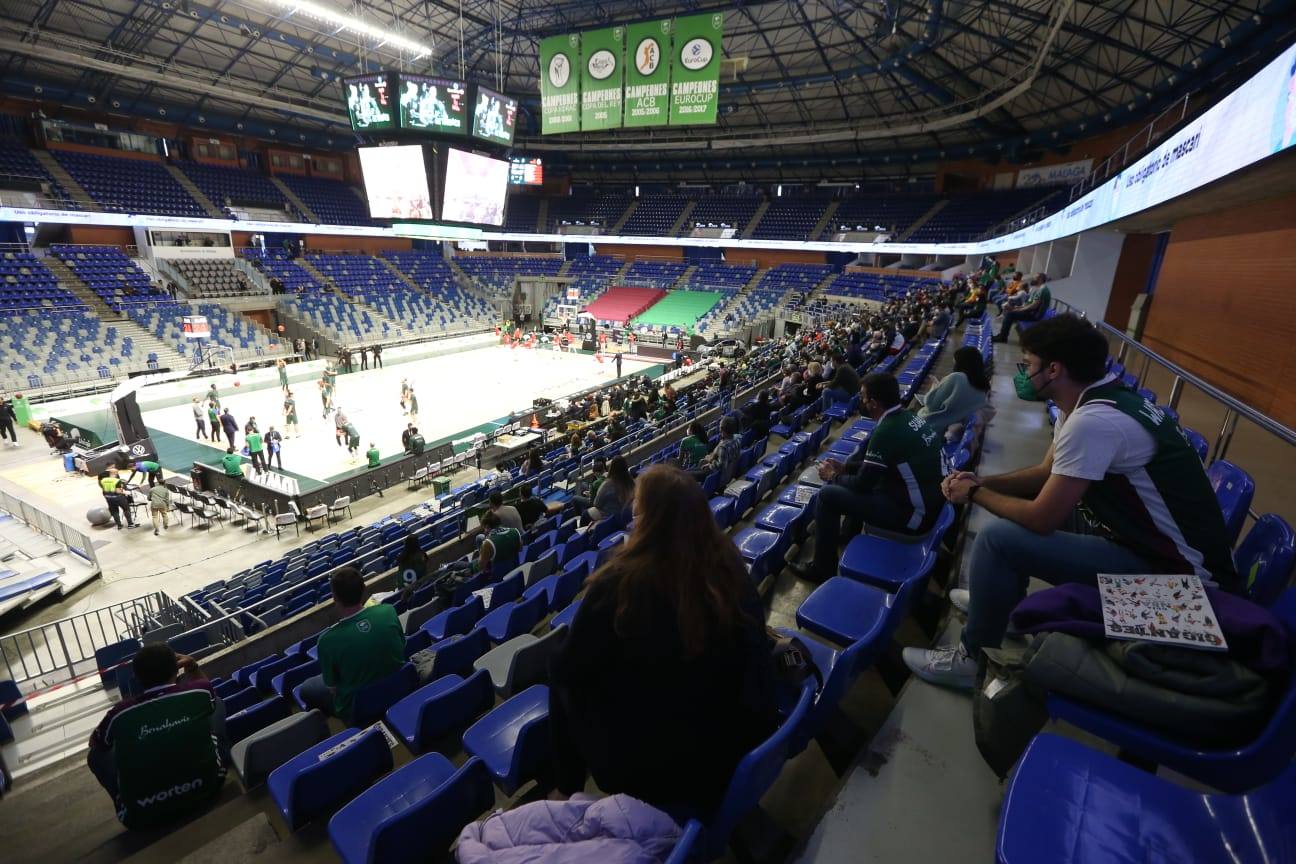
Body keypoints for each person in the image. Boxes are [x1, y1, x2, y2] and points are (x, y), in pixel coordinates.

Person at [905, 315, 1242, 688]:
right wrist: (983, 480)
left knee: (997, 538)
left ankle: (970, 659)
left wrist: (976, 494)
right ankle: (1001, 607)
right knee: (1011, 525)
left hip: (1180, 585)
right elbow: (1047, 472)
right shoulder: (1089, 401)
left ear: (1053, 369)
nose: (1022, 373)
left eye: (1028, 365)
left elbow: (1041, 520)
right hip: (1140, 544)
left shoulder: (1093, 422)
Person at [550, 464, 777, 817]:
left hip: (662, 771)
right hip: (734, 740)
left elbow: (570, 671)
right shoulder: (727, 562)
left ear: (649, 520)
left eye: (639, 509)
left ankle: (567, 788)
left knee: (563, 677)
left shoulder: (620, 585)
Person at [789, 373, 944, 584]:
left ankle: (822, 568)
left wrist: (833, 476)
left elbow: (863, 484)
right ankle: (847, 534)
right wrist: (845, 468)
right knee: (853, 482)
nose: (860, 401)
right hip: (921, 502)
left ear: (873, 403)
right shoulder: (908, 417)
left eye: (863, 397)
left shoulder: (886, 432)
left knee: (827, 496)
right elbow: (877, 469)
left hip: (912, 516)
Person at [86, 645, 226, 829]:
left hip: (140, 816)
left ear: (136, 678)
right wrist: (192, 666)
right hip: (209, 787)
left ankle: (126, 800)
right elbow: (210, 695)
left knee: (95, 755)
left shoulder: (118, 713)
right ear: (177, 668)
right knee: (214, 704)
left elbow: (96, 746)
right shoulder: (199, 691)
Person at [298, 567, 405, 721]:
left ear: (334, 598)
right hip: (398, 685)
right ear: (363, 589)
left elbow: (332, 688)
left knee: (307, 688)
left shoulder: (327, 640)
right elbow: (402, 646)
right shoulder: (388, 611)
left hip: (358, 706)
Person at [917, 346, 991, 438]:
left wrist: (934, 388)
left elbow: (931, 405)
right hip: (955, 431)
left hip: (936, 429)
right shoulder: (983, 384)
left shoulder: (956, 378)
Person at [993, 276, 1051, 343]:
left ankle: (1002, 337)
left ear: (1040, 279)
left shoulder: (1043, 290)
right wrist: (1017, 308)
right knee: (1010, 311)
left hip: (1034, 315)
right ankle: (1002, 335)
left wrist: (1020, 310)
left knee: (1010, 314)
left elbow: (1034, 306)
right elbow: (1029, 304)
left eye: (1035, 277)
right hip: (1031, 312)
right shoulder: (1039, 289)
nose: (1033, 278)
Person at [698, 416, 741, 485]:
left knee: (689, 474)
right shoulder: (737, 438)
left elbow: (720, 466)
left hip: (720, 478)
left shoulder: (723, 447)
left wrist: (709, 465)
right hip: (731, 473)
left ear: (721, 429)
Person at [478, 510, 522, 577]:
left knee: (457, 564)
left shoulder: (488, 543)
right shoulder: (515, 531)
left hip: (497, 578)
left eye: (484, 528)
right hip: (515, 571)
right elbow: (520, 549)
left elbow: (481, 567)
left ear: (487, 526)